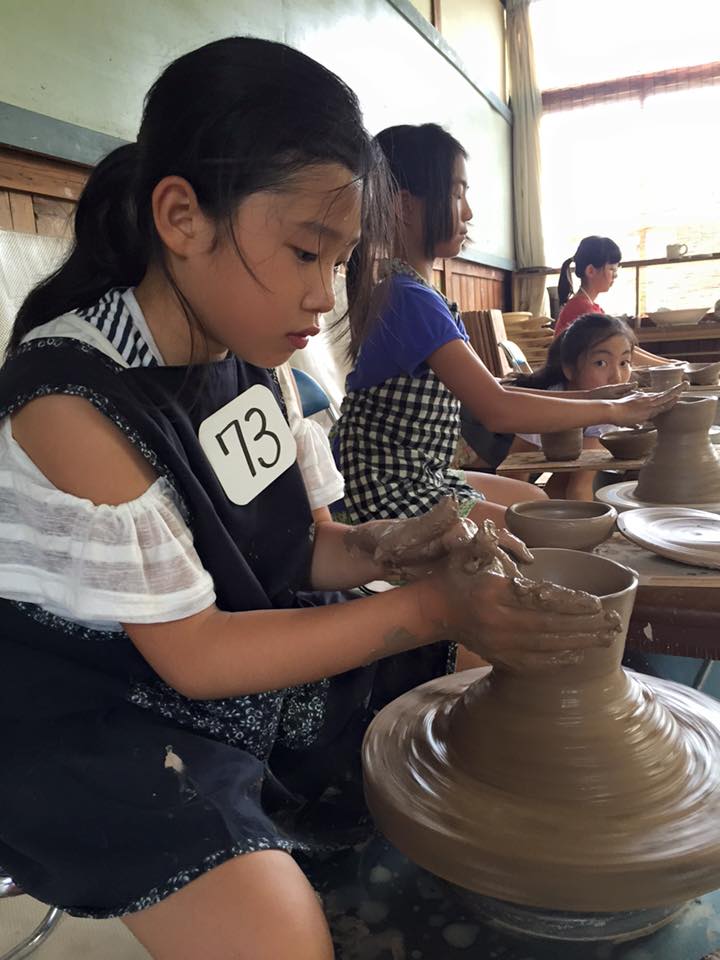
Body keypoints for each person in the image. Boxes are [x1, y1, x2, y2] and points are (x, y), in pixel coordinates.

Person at [0, 39, 623, 960]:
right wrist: (432, 606)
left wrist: (392, 546)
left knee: (470, 686)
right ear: (181, 217)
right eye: (305, 252)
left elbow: (303, 544)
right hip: (92, 709)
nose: (324, 296)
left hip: (225, 654)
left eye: (341, 261)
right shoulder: (70, 400)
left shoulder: (257, 355)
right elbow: (195, 654)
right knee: (280, 933)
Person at [333, 124, 682, 533]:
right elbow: (496, 409)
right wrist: (613, 410)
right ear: (405, 206)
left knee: (535, 500)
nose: (468, 212)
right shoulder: (407, 298)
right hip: (382, 487)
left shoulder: (417, 293)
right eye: (457, 194)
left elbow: (492, 388)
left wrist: (592, 395)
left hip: (414, 472)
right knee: (537, 527)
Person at [508, 313, 637, 500]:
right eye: (601, 363)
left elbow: (580, 484)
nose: (617, 377)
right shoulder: (545, 407)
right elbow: (514, 475)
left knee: (569, 476)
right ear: (569, 369)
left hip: (558, 456)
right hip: (489, 441)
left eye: (624, 363)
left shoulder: (611, 407)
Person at [554, 235, 672, 367]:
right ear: (591, 271)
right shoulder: (582, 309)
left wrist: (669, 363)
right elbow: (620, 350)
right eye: (611, 269)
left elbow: (626, 347)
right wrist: (668, 366)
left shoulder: (591, 306)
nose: (615, 275)